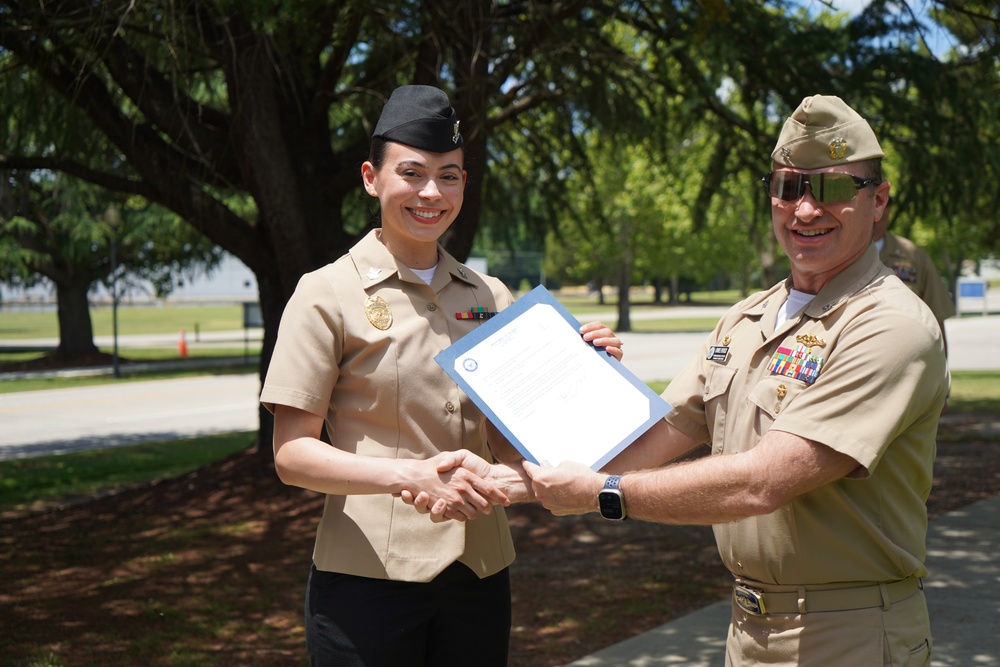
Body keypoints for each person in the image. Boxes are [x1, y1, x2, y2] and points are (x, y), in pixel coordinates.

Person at [503, 95, 946, 665]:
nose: (806, 210)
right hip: (748, 629)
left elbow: (763, 482)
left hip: (849, 634)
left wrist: (602, 497)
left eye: (833, 189)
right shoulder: (745, 318)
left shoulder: (890, 324)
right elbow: (651, 436)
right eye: (789, 188)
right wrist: (513, 479)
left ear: (878, 200)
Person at [259, 84, 622, 667]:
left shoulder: (493, 297)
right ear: (371, 178)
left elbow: (513, 444)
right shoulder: (326, 292)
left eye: (449, 175)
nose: (431, 192)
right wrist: (409, 476)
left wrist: (587, 375)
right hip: (367, 577)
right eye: (412, 172)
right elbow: (292, 455)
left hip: (478, 572)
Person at [874, 198, 955, 340]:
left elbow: (936, 317)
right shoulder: (835, 253)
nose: (880, 208)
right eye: (873, 198)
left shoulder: (913, 255)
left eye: (885, 201)